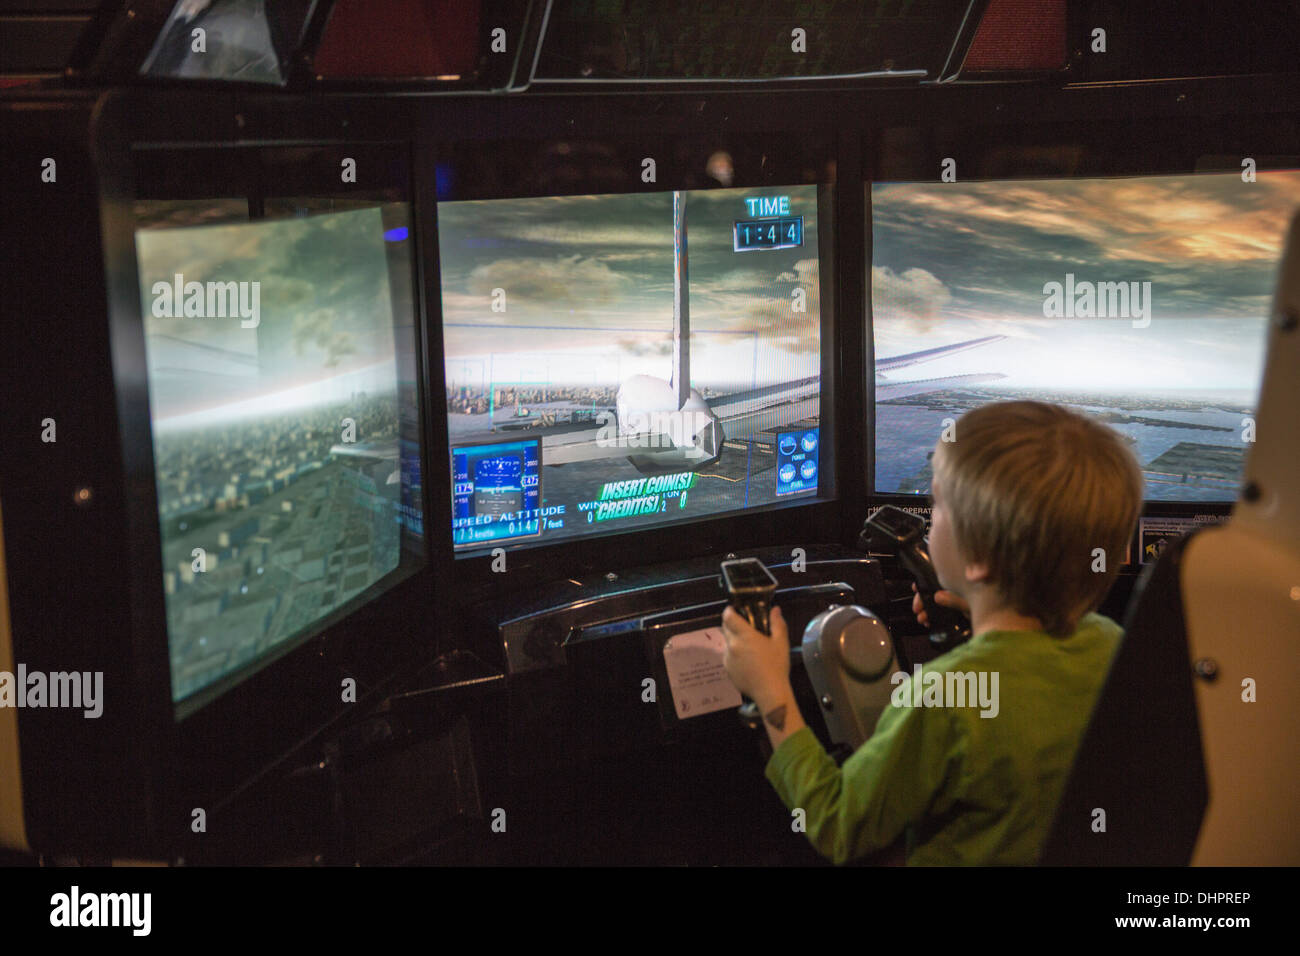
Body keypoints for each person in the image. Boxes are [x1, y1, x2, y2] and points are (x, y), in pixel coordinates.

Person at [721, 401, 1143, 865]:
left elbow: (839, 824)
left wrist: (769, 688)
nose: (925, 520)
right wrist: (982, 607)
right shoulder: (1114, 646)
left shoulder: (944, 698)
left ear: (978, 560)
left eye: (936, 505)